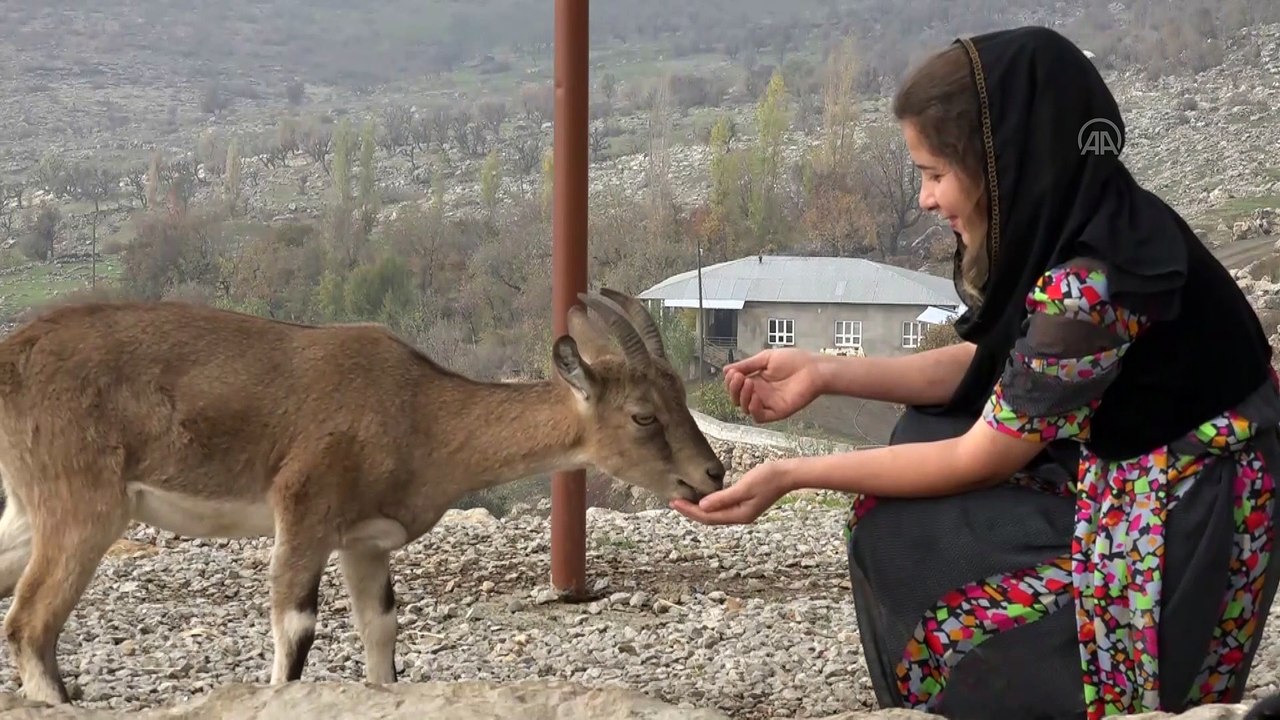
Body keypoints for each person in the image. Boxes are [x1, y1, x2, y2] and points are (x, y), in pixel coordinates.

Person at [671, 25, 1280, 720]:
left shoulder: (1091, 282)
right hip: (1146, 466)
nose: (926, 199)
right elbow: (991, 369)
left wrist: (789, 474)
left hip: (1191, 507)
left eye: (934, 175)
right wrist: (821, 370)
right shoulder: (1083, 215)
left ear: (1004, 165)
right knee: (920, 440)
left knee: (907, 529)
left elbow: (982, 456)